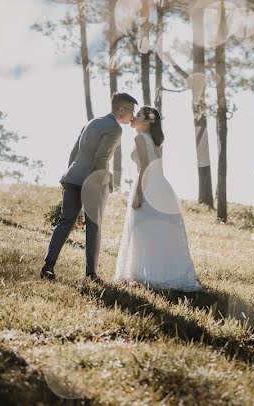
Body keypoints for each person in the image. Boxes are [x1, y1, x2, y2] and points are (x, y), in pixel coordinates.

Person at [40, 92, 137, 281]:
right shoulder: (116, 129)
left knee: (65, 221)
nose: (133, 116)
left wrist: (68, 176)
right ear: (121, 109)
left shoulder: (92, 122)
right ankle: (91, 273)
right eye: (131, 111)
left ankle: (48, 266)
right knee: (94, 226)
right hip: (92, 181)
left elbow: (74, 151)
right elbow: (101, 157)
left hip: (72, 177)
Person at [115, 106, 201, 291]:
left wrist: (138, 194)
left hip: (147, 185)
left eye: (138, 115)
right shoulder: (155, 142)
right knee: (157, 231)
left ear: (148, 120)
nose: (133, 117)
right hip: (161, 185)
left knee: (143, 230)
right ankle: (162, 273)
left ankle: (147, 274)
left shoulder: (139, 138)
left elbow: (145, 166)